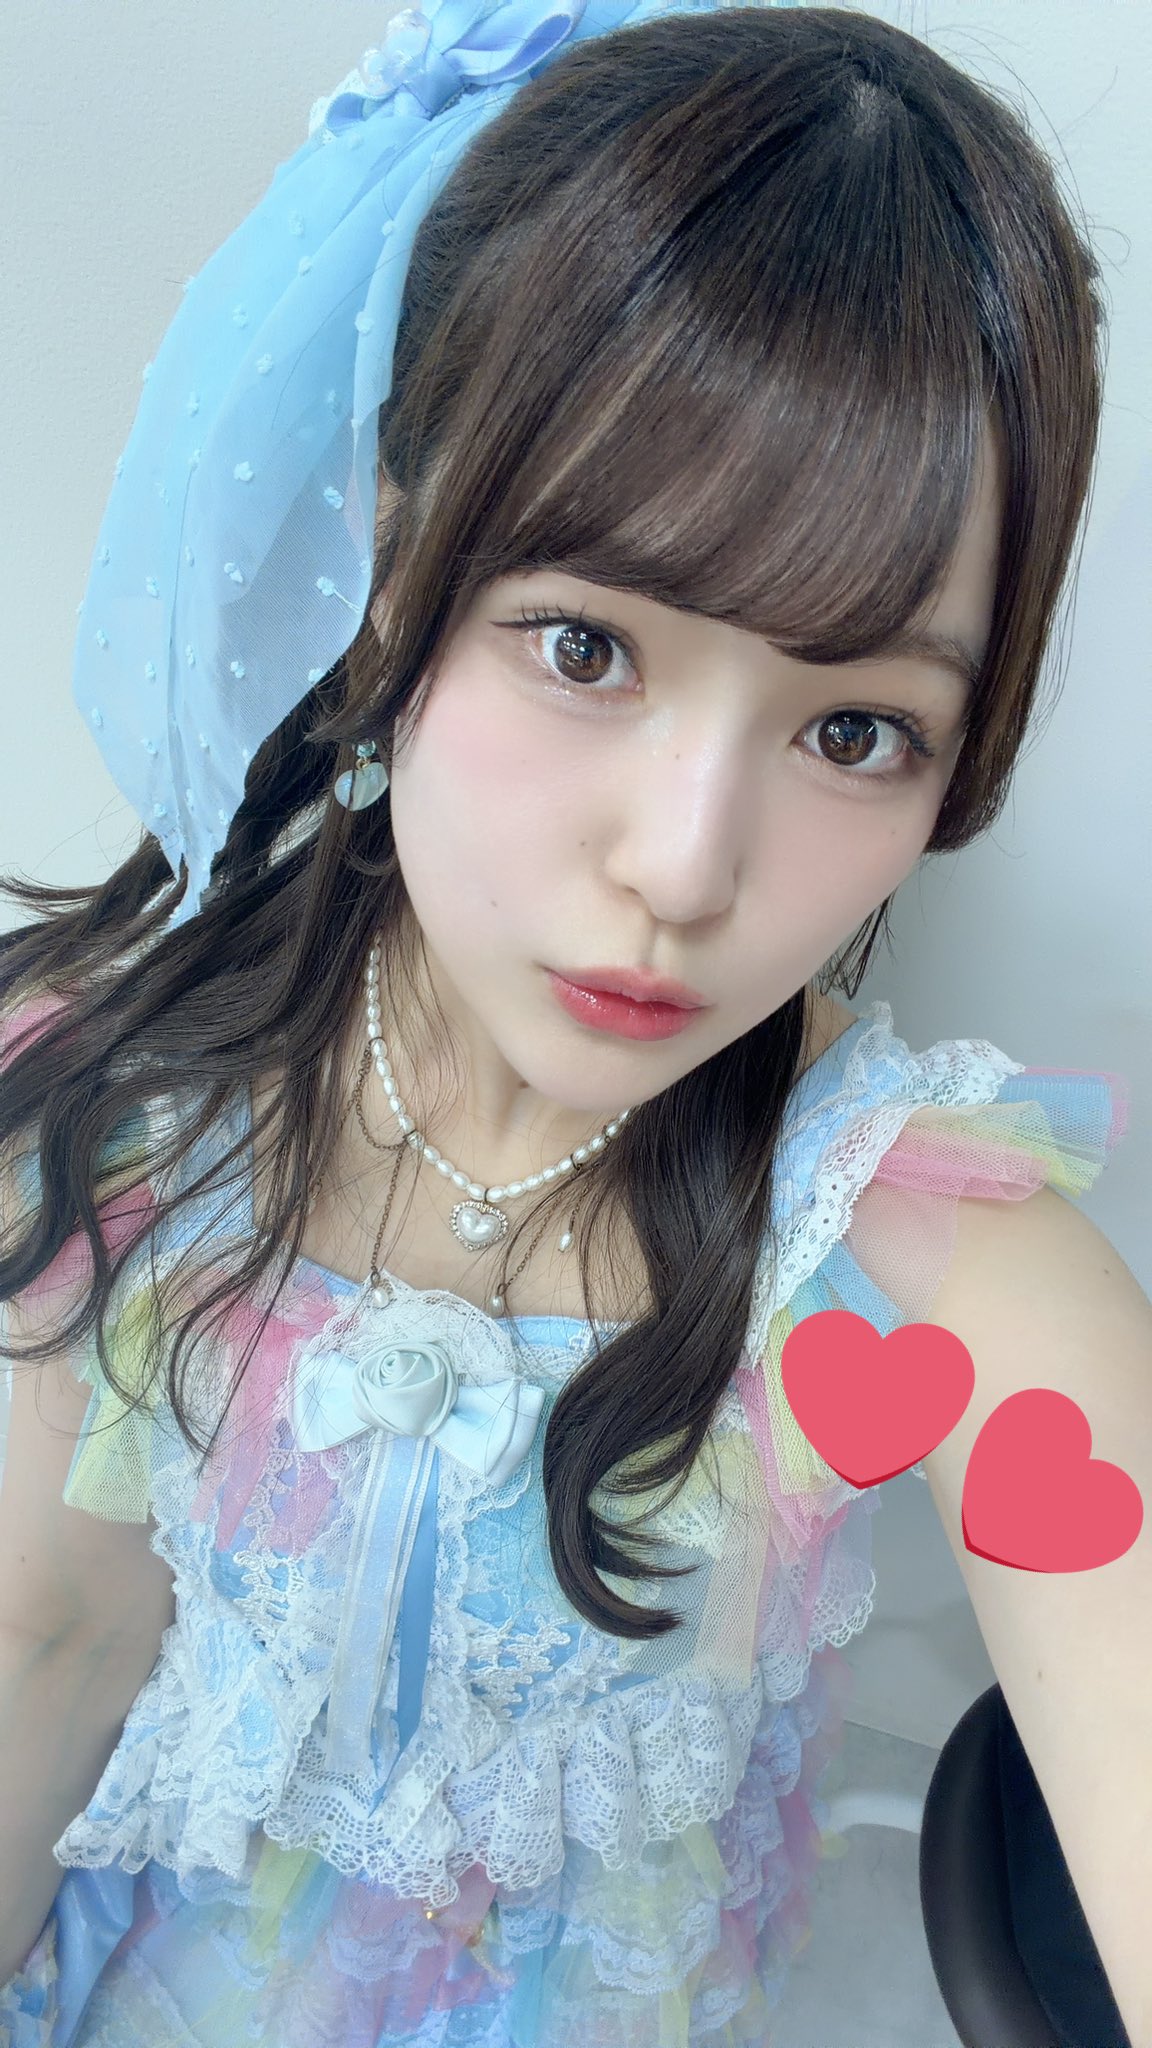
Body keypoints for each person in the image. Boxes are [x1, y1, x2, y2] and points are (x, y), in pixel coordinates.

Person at [0, 3, 1141, 2043]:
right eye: (585, 644)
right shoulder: (140, 1121)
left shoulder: (939, 1264)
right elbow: (49, 1653)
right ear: (395, 568)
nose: (686, 869)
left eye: (856, 730)